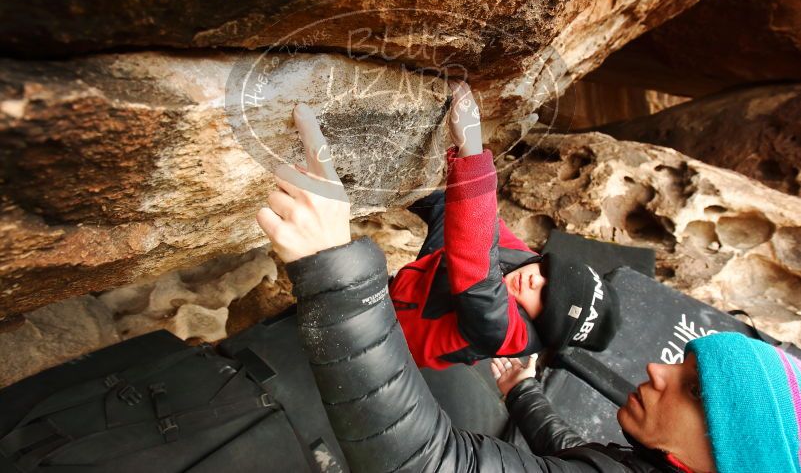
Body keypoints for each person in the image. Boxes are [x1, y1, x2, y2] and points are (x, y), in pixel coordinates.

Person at [256, 102, 801, 472]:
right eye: (683, 364)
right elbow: (579, 455)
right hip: (423, 290)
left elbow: (429, 461)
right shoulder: (648, 456)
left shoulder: (500, 323)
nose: (658, 369)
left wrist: (334, 265)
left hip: (399, 322)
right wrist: (524, 392)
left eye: (693, 391)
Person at [389, 80, 619, 369]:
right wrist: (396, 192)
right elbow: (485, 227)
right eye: (550, 272)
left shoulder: (509, 335)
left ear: (545, 325)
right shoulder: (527, 265)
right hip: (419, 285)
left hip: (393, 336)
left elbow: (477, 272)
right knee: (446, 209)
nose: (536, 280)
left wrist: (471, 149)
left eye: (546, 297)